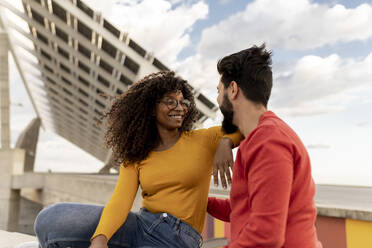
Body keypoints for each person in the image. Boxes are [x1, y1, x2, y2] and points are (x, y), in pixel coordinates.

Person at [33, 71, 241, 248]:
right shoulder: (137, 154)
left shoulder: (204, 139)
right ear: (151, 108)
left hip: (180, 238)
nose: (179, 107)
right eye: (170, 102)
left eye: (183, 102)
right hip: (141, 225)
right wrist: (100, 238)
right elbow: (121, 201)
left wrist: (225, 142)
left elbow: (246, 127)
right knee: (49, 218)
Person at [207, 44, 323, 248]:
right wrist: (202, 202)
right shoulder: (259, 137)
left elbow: (265, 236)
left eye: (219, 91)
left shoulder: (268, 140)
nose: (217, 99)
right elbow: (243, 208)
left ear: (233, 89)